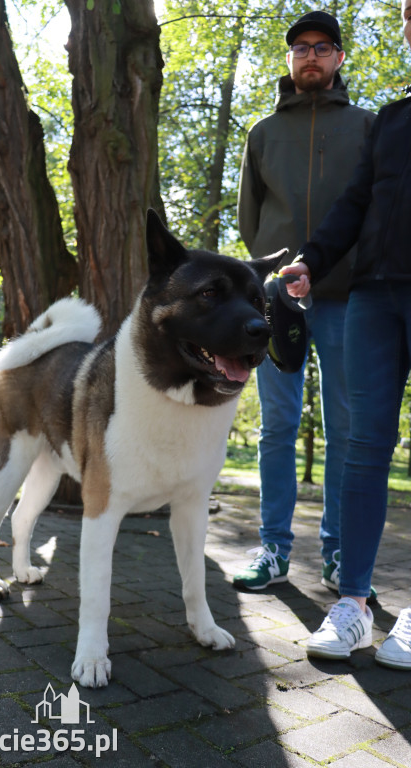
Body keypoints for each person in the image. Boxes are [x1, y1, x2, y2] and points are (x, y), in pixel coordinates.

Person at [281, 0, 411, 670]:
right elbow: (355, 202)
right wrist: (312, 259)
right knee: (362, 445)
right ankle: (354, 605)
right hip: (373, 296)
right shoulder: (391, 120)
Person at [234, 11, 376, 595]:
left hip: (347, 300)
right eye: (299, 48)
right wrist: (273, 272)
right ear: (290, 61)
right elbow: (250, 215)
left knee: (346, 430)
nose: (309, 56)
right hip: (277, 303)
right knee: (276, 427)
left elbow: (377, 208)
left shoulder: (369, 127)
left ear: (340, 58)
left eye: (321, 47)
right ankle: (273, 549)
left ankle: (340, 554)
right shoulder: (263, 132)